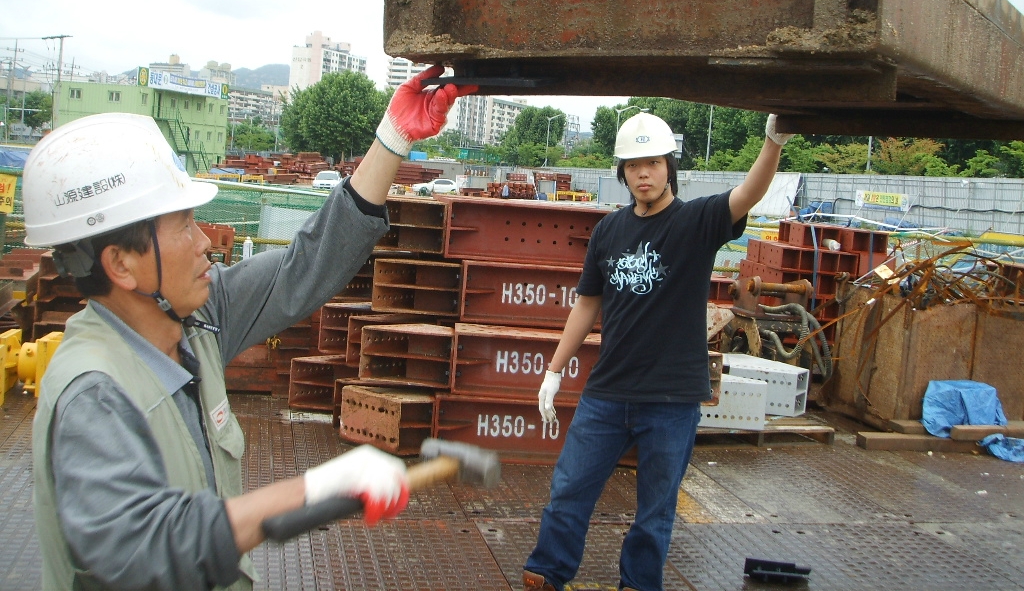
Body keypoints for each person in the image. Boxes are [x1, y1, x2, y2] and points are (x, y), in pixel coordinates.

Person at [26, 66, 474, 591]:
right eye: (184, 226)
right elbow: (140, 545)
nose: (205, 243)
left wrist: (392, 138)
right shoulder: (94, 393)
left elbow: (303, 268)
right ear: (121, 264)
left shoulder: (196, 322)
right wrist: (310, 489)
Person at [523, 112, 793, 591]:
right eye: (632, 165)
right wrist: (554, 369)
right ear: (622, 173)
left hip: (671, 399)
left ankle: (639, 584)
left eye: (652, 162)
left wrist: (772, 142)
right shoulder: (609, 232)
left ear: (670, 165)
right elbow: (587, 304)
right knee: (568, 490)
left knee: (655, 510)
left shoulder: (697, 221)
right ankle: (547, 573)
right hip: (607, 393)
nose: (643, 173)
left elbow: (749, 193)